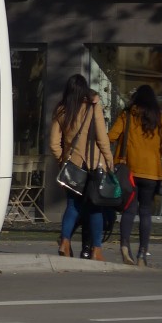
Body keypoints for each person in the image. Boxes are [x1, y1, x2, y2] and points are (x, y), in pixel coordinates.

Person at [49, 73, 114, 261]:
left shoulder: (61, 110)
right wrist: (109, 161)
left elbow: (54, 143)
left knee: (72, 206)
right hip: (93, 165)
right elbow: (102, 138)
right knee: (95, 208)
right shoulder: (93, 107)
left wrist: (63, 160)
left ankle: (65, 241)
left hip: (73, 166)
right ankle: (97, 250)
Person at [108, 85, 162, 266]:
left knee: (129, 210)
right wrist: (155, 153)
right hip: (151, 172)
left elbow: (112, 136)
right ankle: (142, 253)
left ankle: (124, 246)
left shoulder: (127, 114)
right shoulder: (159, 118)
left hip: (128, 170)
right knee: (145, 213)